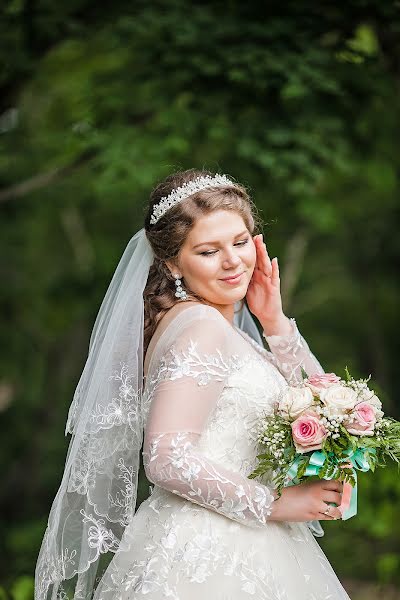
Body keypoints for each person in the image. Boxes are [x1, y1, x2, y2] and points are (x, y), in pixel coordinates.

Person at [35, 169, 351, 600]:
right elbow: (166, 458)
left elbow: (317, 397)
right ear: (171, 263)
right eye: (208, 251)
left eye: (240, 243)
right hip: (212, 551)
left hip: (239, 538)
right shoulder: (200, 326)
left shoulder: (220, 328)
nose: (233, 261)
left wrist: (274, 320)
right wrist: (274, 503)